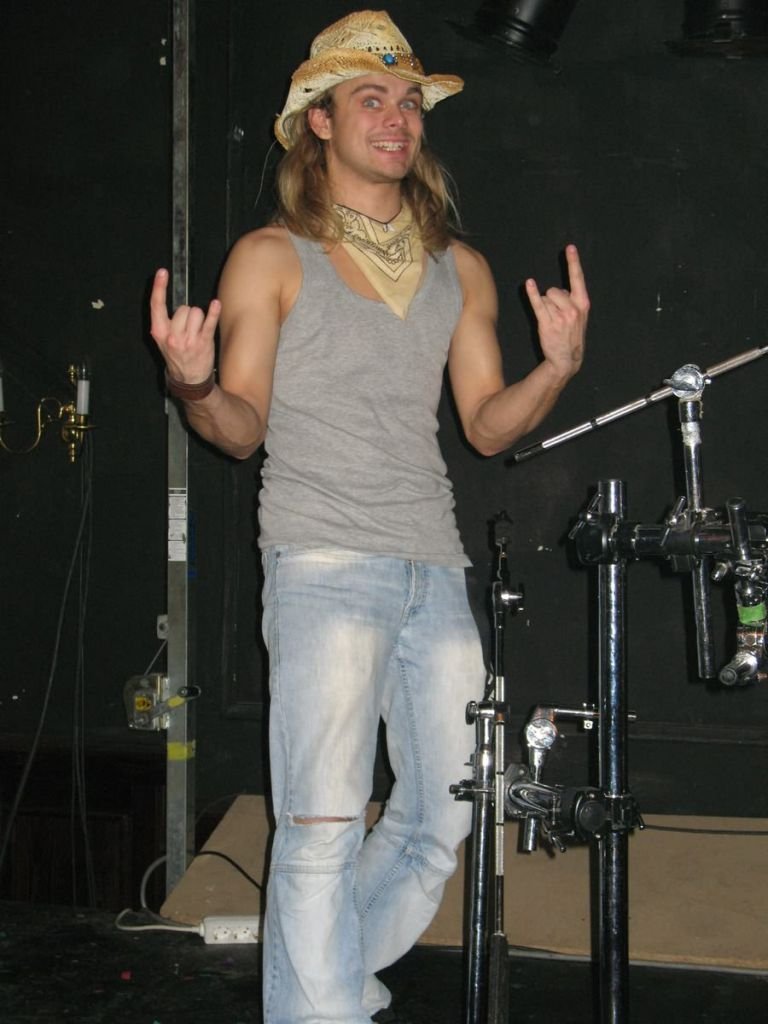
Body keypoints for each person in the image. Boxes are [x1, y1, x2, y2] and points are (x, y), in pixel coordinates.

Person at [150, 10, 589, 1023]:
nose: (398, 118)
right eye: (371, 99)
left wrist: (557, 371)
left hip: (433, 564)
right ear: (319, 122)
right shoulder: (271, 256)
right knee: (320, 827)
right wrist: (194, 383)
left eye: (409, 102)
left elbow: (485, 424)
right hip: (323, 564)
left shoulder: (458, 266)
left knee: (444, 818)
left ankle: (331, 983)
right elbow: (239, 428)